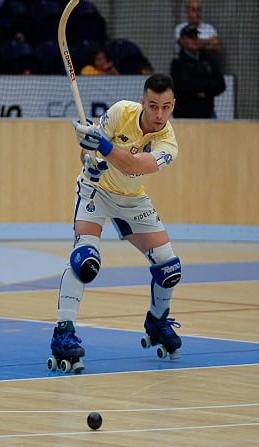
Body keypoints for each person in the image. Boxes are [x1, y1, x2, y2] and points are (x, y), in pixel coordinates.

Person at [48, 73, 183, 373]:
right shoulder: (122, 111)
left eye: (165, 107)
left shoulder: (168, 142)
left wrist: (104, 148)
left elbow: (136, 166)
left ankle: (157, 322)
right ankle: (63, 333)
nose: (158, 114)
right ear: (142, 102)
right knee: (85, 261)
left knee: (169, 267)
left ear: (173, 105)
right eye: (152, 105)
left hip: (132, 200)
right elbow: (88, 147)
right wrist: (88, 158)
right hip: (96, 189)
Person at [169, 24, 225, 119]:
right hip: (185, 115)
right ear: (182, 41)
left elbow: (220, 84)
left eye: (196, 37)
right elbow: (183, 86)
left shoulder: (208, 61)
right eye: (190, 37)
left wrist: (205, 93)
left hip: (207, 113)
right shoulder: (177, 64)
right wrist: (206, 84)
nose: (194, 40)